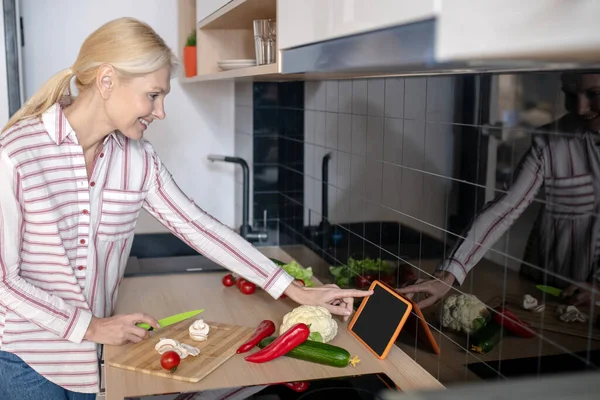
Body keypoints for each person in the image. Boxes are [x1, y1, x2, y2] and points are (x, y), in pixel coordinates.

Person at [0, 17, 372, 400]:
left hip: (88, 357)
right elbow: (3, 280)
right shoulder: (18, 153)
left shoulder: (137, 159)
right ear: (107, 81)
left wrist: (295, 290)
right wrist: (91, 327)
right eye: (153, 95)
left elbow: (198, 227)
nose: (160, 112)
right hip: (27, 356)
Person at [399, 72, 600, 309]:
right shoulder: (548, 141)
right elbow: (504, 209)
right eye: (569, 94)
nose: (580, 107)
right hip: (546, 283)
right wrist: (448, 274)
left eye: (594, 94)